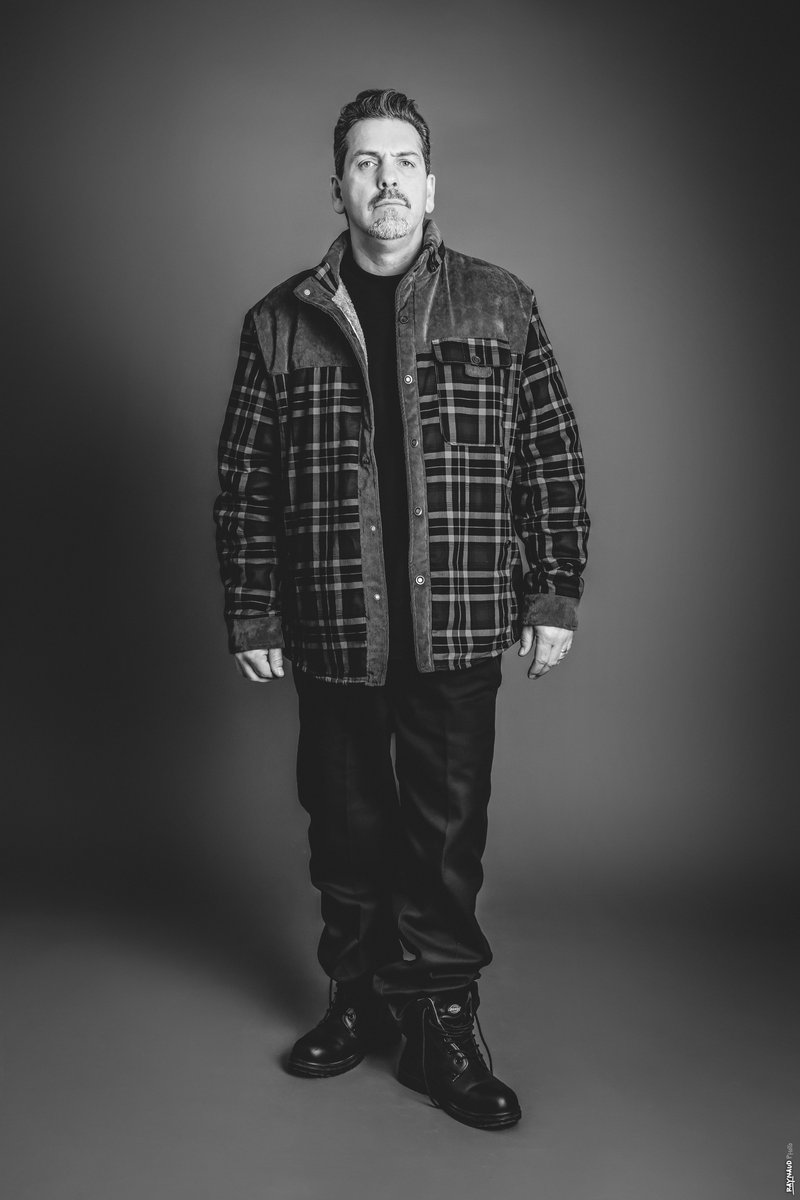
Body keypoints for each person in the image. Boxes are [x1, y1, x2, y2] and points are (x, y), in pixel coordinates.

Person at [213, 88, 589, 1131]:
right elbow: (245, 483)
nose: (386, 180)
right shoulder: (277, 323)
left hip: (459, 619)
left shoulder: (500, 304)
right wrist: (254, 611)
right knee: (343, 826)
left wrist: (553, 592)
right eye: (365, 163)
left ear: (431, 186)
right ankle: (356, 997)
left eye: (404, 162)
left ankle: (441, 1023)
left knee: (444, 834)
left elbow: (550, 456)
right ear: (336, 185)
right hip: (333, 619)